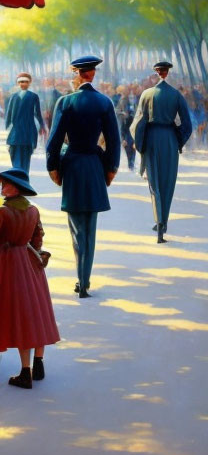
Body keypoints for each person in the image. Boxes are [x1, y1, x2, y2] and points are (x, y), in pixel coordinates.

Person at [0, 168, 59, 389]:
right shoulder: (33, 210)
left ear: (16, 187)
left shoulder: (2, 212)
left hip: (6, 263)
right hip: (29, 262)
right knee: (36, 312)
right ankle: (39, 363)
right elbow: (38, 237)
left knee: (19, 317)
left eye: (5, 184)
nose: (1, 187)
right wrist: (34, 255)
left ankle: (25, 372)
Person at [46, 55, 120, 298]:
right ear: (93, 74)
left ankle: (81, 280)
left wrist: (53, 168)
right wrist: (110, 170)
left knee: (77, 227)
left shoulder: (65, 102)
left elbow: (54, 141)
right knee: (90, 226)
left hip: (74, 167)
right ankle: (85, 280)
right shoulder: (104, 102)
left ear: (77, 74)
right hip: (95, 167)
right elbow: (114, 142)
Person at [130, 61, 192, 243]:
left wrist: (140, 144)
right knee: (168, 182)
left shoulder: (146, 94)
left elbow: (138, 123)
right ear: (168, 72)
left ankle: (158, 223)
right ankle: (164, 222)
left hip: (151, 139)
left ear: (156, 73)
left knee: (154, 183)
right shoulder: (176, 95)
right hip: (170, 139)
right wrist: (179, 141)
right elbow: (187, 124)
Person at [5, 73, 46, 173]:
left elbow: (38, 113)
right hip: (17, 131)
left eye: (25, 82)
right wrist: (7, 127)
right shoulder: (14, 97)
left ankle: (22, 176)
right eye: (21, 82)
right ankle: (19, 175)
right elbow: (9, 113)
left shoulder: (33, 97)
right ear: (18, 83)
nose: (23, 84)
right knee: (15, 153)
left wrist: (42, 126)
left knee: (26, 156)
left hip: (27, 129)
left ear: (29, 83)